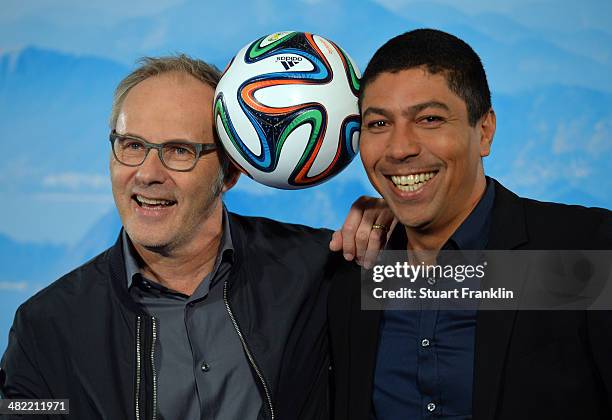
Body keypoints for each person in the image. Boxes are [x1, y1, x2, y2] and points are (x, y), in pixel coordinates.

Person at [0, 55, 392, 420]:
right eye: (132, 145)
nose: (148, 173)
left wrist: (409, 227)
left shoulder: (323, 267)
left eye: (179, 151)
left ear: (231, 172)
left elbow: (451, 288)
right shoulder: (46, 327)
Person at [328, 29, 612, 420]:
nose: (399, 148)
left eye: (429, 119)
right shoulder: (351, 277)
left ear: (484, 131)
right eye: (378, 124)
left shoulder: (586, 251)